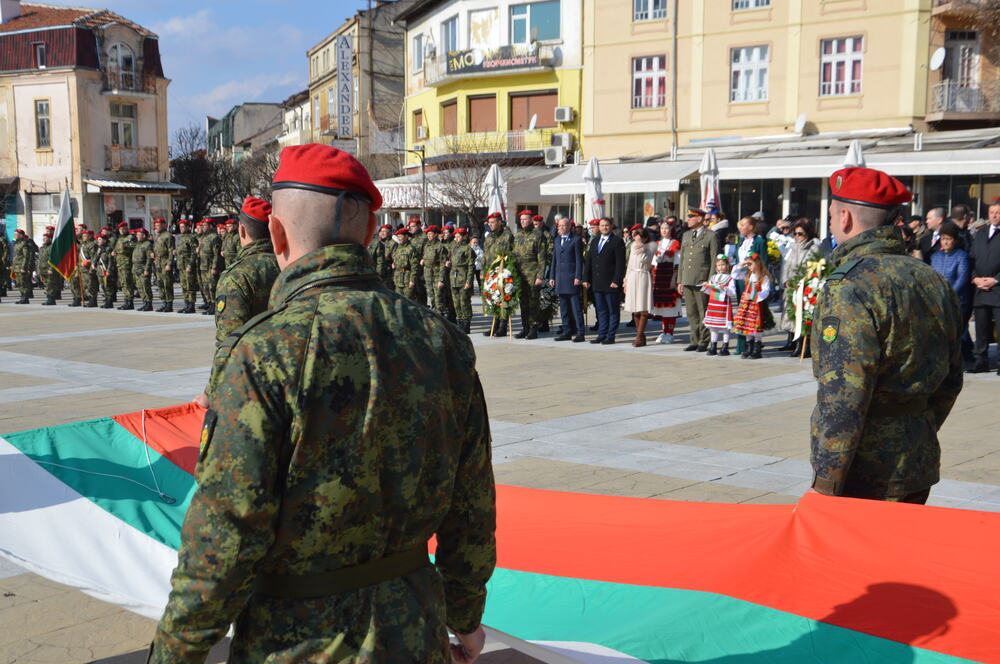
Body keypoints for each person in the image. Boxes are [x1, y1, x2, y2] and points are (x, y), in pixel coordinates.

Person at [150, 144, 496, 663]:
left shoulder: (264, 350)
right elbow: (472, 507)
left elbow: (223, 538)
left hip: (295, 642)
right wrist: (465, 617)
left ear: (277, 234)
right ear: (372, 232)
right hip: (414, 630)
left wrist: (174, 654)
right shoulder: (442, 341)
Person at [810, 167, 964, 503]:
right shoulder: (930, 278)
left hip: (863, 469)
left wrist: (826, 481)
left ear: (846, 217)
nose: (833, 224)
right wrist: (915, 426)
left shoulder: (848, 285)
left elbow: (843, 396)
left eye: (833, 216)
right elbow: (952, 377)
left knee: (852, 556)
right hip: (917, 457)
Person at [193, 197, 281, 408]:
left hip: (251, 385)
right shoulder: (289, 266)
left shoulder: (237, 276)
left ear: (242, 231)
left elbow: (229, 342)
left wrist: (210, 393)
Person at [677, 208, 719, 352]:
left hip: (702, 280)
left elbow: (714, 259)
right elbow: (682, 259)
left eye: (691, 217)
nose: (688, 219)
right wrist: (680, 280)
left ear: (700, 219)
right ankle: (694, 340)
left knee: (703, 312)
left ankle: (704, 341)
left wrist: (711, 280)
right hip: (688, 278)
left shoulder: (711, 236)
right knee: (691, 312)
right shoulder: (686, 235)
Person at [777, 219, 820, 356]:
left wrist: (802, 282)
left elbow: (813, 267)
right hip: (792, 285)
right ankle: (793, 342)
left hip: (804, 286)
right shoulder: (793, 246)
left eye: (800, 234)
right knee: (791, 315)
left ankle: (804, 346)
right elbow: (787, 265)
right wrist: (785, 281)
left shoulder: (814, 246)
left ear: (808, 233)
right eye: (794, 233)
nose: (797, 236)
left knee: (803, 316)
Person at [968, 201, 1000, 375]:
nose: (994, 215)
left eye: (997, 212)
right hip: (980, 289)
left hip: (998, 289)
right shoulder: (980, 235)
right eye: (991, 212)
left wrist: (995, 280)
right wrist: (975, 278)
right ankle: (981, 361)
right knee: (981, 329)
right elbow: (971, 259)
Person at [583, 217, 626, 345]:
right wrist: (586, 278)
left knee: (612, 310)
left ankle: (610, 335)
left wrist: (616, 280)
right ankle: (601, 334)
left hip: (611, 282)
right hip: (597, 282)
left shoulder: (617, 241)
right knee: (600, 310)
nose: (604, 227)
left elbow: (620, 264)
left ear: (611, 226)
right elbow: (589, 262)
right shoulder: (595, 241)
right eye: (602, 225)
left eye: (607, 225)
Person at [512, 209, 547, 339]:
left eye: (525, 219)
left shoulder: (538, 235)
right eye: (521, 220)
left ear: (531, 220)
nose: (523, 222)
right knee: (523, 302)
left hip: (533, 273)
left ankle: (533, 328)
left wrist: (540, 276)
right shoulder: (518, 235)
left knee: (533, 303)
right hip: (520, 274)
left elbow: (542, 258)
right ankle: (525, 327)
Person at [550, 217, 585, 342]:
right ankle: (567, 330)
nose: (561, 228)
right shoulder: (557, 240)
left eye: (563, 226)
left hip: (571, 278)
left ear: (569, 227)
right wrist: (552, 276)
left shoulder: (576, 240)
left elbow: (579, 260)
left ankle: (580, 332)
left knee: (575, 307)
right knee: (563, 307)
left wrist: (578, 276)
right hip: (560, 277)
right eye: (559, 226)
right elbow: (554, 260)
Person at [730, 251, 771, 359]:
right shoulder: (747, 274)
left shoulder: (763, 277)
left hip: (756, 306)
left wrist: (754, 296)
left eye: (750, 264)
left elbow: (766, 291)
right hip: (746, 305)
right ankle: (749, 347)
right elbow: (734, 274)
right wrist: (742, 263)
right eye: (748, 265)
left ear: (757, 263)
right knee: (747, 325)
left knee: (756, 326)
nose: (749, 267)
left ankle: (757, 349)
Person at [482, 212, 514, 337]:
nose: (491, 225)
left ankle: (502, 327)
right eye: (489, 223)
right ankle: (494, 326)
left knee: (503, 300)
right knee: (493, 299)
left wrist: (508, 270)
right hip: (491, 273)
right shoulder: (489, 236)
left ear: (500, 222)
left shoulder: (507, 236)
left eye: (493, 222)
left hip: (503, 272)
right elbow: (486, 254)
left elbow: (511, 253)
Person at [623, 225, 656, 347]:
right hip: (632, 276)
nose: (637, 239)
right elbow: (630, 265)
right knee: (635, 310)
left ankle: (638, 336)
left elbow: (646, 260)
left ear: (645, 238)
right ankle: (641, 336)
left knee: (642, 309)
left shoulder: (649, 248)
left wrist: (643, 247)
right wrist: (626, 280)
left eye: (639, 236)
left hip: (643, 276)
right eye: (635, 236)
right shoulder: (632, 247)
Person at [651, 220, 681, 344]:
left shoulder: (675, 243)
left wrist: (675, 278)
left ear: (671, 230)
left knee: (671, 307)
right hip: (659, 277)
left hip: (669, 276)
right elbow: (653, 263)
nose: (664, 230)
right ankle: (664, 332)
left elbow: (678, 263)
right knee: (662, 308)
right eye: (662, 228)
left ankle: (670, 332)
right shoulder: (657, 243)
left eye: (667, 228)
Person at [701, 255, 735, 356]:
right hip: (713, 304)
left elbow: (732, 293)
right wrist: (705, 286)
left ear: (727, 266)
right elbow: (710, 291)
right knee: (713, 327)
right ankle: (713, 346)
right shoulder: (713, 277)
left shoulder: (730, 278)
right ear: (716, 267)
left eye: (723, 265)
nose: (721, 267)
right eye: (719, 265)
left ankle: (725, 346)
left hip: (724, 305)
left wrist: (724, 288)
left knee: (725, 327)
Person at [450, 227, 475, 333]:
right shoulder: (454, 248)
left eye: (458, 236)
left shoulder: (468, 249)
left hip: (463, 277)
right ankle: (459, 321)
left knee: (464, 302)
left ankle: (466, 323)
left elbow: (471, 266)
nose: (456, 238)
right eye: (455, 236)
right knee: (456, 303)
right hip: (454, 278)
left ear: (464, 237)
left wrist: (469, 281)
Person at [197, 218, 224, 314]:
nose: (203, 227)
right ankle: (210, 304)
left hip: (210, 266)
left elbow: (216, 254)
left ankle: (214, 306)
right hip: (203, 266)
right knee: (206, 287)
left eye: (205, 225)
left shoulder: (214, 237)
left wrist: (214, 267)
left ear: (210, 226)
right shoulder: (204, 237)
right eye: (203, 225)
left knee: (212, 286)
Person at [175, 219, 199, 314]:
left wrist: (190, 265)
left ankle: (191, 305)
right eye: (180, 227)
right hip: (181, 266)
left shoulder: (191, 237)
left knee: (190, 286)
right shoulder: (180, 238)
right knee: (184, 286)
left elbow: (194, 252)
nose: (181, 228)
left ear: (188, 227)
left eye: (183, 226)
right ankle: (186, 304)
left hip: (188, 266)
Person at [152, 218, 175, 312]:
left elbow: (171, 251)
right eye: (156, 225)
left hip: (165, 262)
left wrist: (169, 263)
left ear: (163, 225)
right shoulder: (157, 236)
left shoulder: (167, 236)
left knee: (167, 284)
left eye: (158, 225)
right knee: (160, 283)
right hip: (158, 263)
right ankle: (164, 302)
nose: (156, 227)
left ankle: (169, 304)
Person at [112, 222, 136, 310]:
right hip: (120, 265)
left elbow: (134, 247)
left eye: (124, 229)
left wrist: (125, 247)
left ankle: (130, 302)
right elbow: (117, 249)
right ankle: (126, 301)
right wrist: (114, 252)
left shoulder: (130, 238)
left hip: (126, 264)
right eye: (120, 229)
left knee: (127, 283)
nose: (122, 231)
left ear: (127, 229)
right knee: (123, 283)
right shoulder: (119, 239)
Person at [391, 227, 418, 300]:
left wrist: (412, 280)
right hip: (398, 278)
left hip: (407, 278)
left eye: (400, 236)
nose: (399, 238)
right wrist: (394, 264)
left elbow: (414, 266)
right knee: (399, 301)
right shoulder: (398, 248)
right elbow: (397, 259)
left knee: (408, 301)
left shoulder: (411, 248)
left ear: (406, 236)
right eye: (398, 237)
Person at [131, 228, 155, 311]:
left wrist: (147, 269)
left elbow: (149, 258)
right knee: (140, 287)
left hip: (143, 268)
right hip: (136, 269)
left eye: (139, 234)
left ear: (144, 235)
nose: (137, 236)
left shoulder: (147, 244)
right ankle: (144, 302)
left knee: (145, 286)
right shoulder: (138, 244)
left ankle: (149, 304)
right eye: (137, 234)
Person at [12, 228, 37, 304]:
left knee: (24, 282)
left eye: (16, 234)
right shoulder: (17, 244)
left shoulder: (24, 244)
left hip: (21, 267)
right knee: (19, 283)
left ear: (21, 235)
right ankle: (22, 297)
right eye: (15, 234)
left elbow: (26, 257)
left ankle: (25, 298)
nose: (15, 236)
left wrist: (24, 267)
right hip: (16, 267)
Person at [370, 223, 395, 290]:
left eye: (384, 231)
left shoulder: (393, 243)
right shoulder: (378, 242)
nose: (382, 233)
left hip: (387, 271)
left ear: (389, 233)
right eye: (381, 231)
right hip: (377, 269)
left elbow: (395, 258)